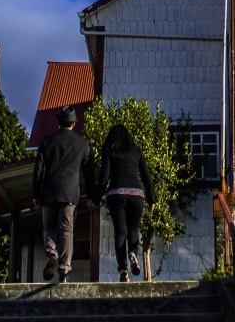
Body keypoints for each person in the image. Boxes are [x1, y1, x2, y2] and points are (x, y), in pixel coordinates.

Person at [31, 105, 96, 283]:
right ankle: (64, 269)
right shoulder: (82, 144)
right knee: (67, 230)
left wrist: (36, 195)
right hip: (70, 193)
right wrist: (91, 196)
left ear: (58, 122)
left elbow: (38, 171)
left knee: (49, 227)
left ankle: (52, 253)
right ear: (74, 125)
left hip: (49, 192)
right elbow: (89, 173)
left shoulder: (46, 141)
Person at [97, 124, 156, 282]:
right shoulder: (136, 151)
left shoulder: (109, 151)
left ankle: (123, 269)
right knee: (133, 230)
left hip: (116, 193)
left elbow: (104, 177)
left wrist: (96, 198)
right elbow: (146, 176)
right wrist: (152, 199)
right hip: (137, 194)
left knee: (120, 232)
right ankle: (133, 253)